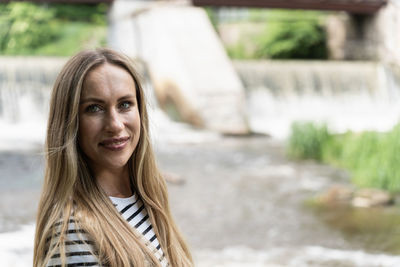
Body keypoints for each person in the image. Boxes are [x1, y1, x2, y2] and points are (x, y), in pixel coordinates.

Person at [33, 48, 193, 267]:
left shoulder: (147, 199)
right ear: (69, 123)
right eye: (94, 108)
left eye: (125, 104)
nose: (116, 124)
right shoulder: (74, 235)